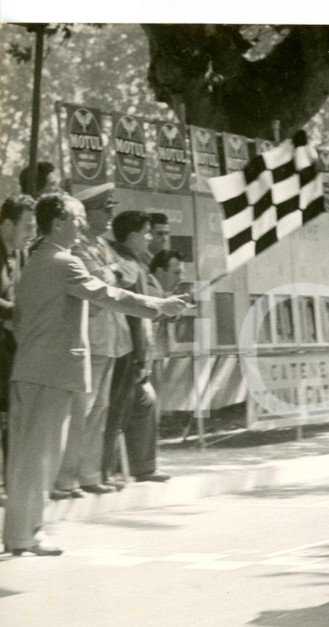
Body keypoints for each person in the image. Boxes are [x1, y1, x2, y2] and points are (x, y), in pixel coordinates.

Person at [2, 193, 189, 556]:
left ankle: (19, 534)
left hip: (30, 370)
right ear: (57, 224)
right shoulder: (64, 263)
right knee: (40, 459)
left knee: (26, 457)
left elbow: (21, 320)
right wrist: (159, 306)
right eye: (75, 220)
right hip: (52, 373)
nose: (81, 227)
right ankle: (25, 535)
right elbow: (107, 295)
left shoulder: (35, 263)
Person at [53, 182, 133, 496]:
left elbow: (127, 273)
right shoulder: (80, 245)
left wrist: (112, 271)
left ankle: (89, 474)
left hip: (111, 338)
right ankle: (64, 478)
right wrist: (112, 272)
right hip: (92, 339)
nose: (111, 215)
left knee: (99, 409)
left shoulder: (102, 245)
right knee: (81, 410)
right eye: (106, 209)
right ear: (90, 213)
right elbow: (101, 281)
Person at [107, 211, 171, 484]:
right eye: (146, 233)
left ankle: (142, 467)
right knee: (117, 410)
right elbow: (133, 308)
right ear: (132, 236)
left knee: (143, 404)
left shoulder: (137, 261)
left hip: (138, 349)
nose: (149, 238)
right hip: (126, 348)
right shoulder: (121, 262)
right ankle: (105, 471)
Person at [0, 195, 37, 507]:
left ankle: (13, 486)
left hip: (11, 351)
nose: (31, 232)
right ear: (8, 224)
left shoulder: (22, 255)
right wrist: (13, 311)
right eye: (26, 226)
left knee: (13, 417)